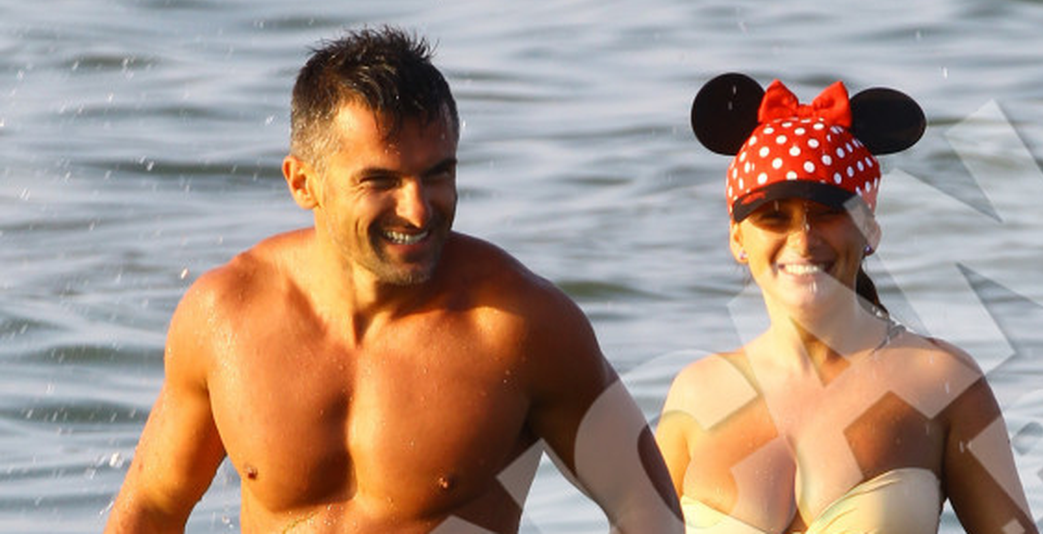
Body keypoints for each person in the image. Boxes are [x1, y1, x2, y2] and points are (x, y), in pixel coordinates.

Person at [105, 26, 682, 534]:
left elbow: (647, 508)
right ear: (303, 183)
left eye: (438, 174)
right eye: (380, 181)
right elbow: (152, 509)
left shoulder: (518, 327)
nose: (418, 209)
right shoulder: (225, 317)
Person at [655, 74, 1039, 534]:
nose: (803, 240)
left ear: (869, 230)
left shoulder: (943, 381)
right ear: (738, 238)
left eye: (827, 214)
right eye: (774, 218)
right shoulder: (696, 393)